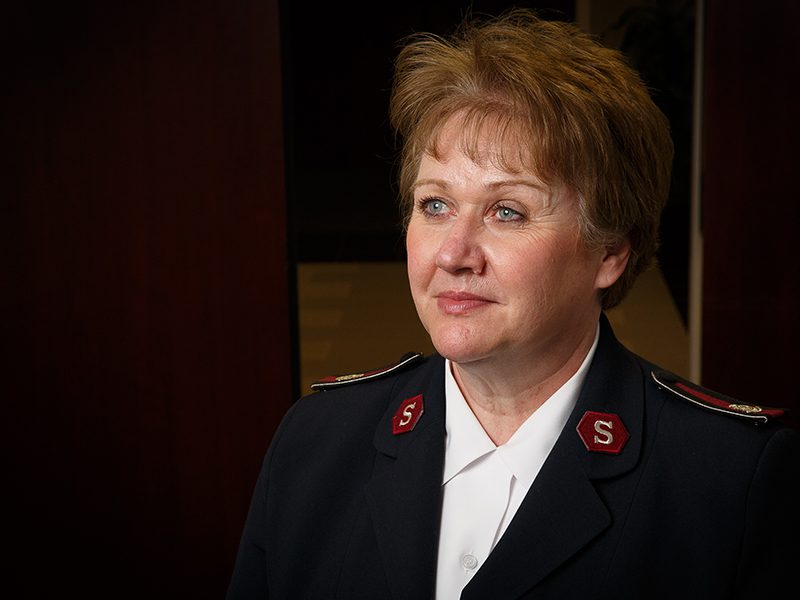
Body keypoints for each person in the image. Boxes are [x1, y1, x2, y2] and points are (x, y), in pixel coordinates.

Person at [226, 8, 799, 599]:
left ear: (610, 253)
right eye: (435, 204)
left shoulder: (730, 483)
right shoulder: (315, 442)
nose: (454, 253)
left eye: (507, 211)